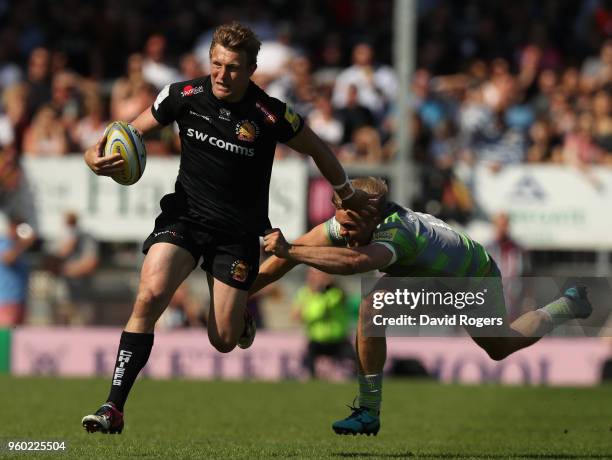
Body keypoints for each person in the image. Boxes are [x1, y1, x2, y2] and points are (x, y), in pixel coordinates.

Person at [80, 22, 376, 435]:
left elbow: (318, 149)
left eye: (233, 67)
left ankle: (239, 322)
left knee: (221, 339)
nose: (222, 74)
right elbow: (129, 132)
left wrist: (345, 191)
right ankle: (113, 407)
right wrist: (95, 155)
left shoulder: (269, 113)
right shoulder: (182, 95)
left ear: (252, 68)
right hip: (184, 218)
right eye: (216, 64)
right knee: (149, 295)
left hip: (237, 234)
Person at [254, 176, 592, 436]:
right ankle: (368, 412)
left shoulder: (400, 233)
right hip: (427, 276)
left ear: (373, 216)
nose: (345, 232)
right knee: (372, 307)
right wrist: (240, 295)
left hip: (472, 277)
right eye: (340, 224)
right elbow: (291, 254)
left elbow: (353, 260)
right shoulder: (350, 219)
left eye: (352, 227)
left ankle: (565, 306)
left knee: (500, 346)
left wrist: (292, 251)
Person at [292, 267, 354, 378]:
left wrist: (328, 287)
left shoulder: (335, 291)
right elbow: (296, 316)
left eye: (320, 275)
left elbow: (341, 299)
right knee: (307, 365)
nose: (315, 278)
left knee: (355, 363)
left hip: (339, 339)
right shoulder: (304, 293)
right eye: (312, 275)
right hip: (316, 340)